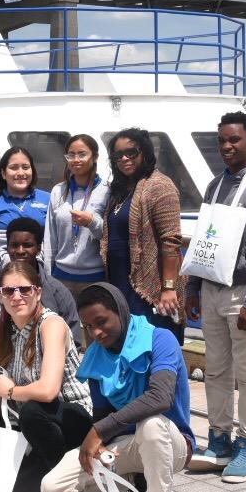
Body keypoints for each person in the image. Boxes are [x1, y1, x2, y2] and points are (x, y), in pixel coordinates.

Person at [185, 112, 246, 484]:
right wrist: (193, 287)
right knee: (216, 369)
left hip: (244, 292)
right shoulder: (215, 186)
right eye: (222, 141)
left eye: (235, 140)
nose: (226, 147)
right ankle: (219, 438)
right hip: (212, 289)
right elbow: (204, 239)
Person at [41, 284, 194, 492]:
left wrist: (99, 431)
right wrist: (101, 445)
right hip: (128, 447)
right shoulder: (95, 357)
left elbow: (161, 398)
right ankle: (129, 483)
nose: (96, 333)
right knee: (52, 488)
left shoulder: (160, 339)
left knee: (150, 425)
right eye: (89, 326)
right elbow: (103, 414)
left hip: (171, 444)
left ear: (121, 311)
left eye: (102, 322)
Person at [0, 260, 93, 492]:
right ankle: (35, 468)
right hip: (33, 426)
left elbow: (48, 390)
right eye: (8, 291)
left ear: (38, 292)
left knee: (32, 410)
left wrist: (10, 391)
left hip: (70, 419)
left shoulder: (51, 325)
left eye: (25, 290)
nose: (16, 296)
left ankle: (61, 480)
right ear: (0, 295)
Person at [101, 128, 186, 341]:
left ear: (145, 152)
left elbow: (171, 241)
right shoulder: (121, 190)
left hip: (149, 288)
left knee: (151, 346)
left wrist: (168, 288)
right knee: (128, 345)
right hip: (122, 282)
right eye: (118, 155)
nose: (124, 158)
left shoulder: (159, 186)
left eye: (131, 152)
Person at [0, 216, 81, 345]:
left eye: (27, 245)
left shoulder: (58, 292)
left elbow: (73, 340)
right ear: (7, 248)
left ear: (39, 248)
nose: (20, 251)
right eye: (14, 245)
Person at [0, 147, 51, 286]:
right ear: (3, 173)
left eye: (26, 167)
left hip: (39, 277)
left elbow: (54, 241)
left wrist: (35, 261)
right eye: (13, 168)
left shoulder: (48, 200)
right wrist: (8, 262)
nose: (21, 173)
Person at [42, 134, 109, 289]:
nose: (76, 160)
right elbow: (50, 236)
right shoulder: (58, 190)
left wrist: (92, 222)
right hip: (61, 276)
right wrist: (48, 277)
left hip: (96, 278)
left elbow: (110, 236)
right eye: (71, 155)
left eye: (82, 154)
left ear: (95, 157)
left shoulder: (107, 190)